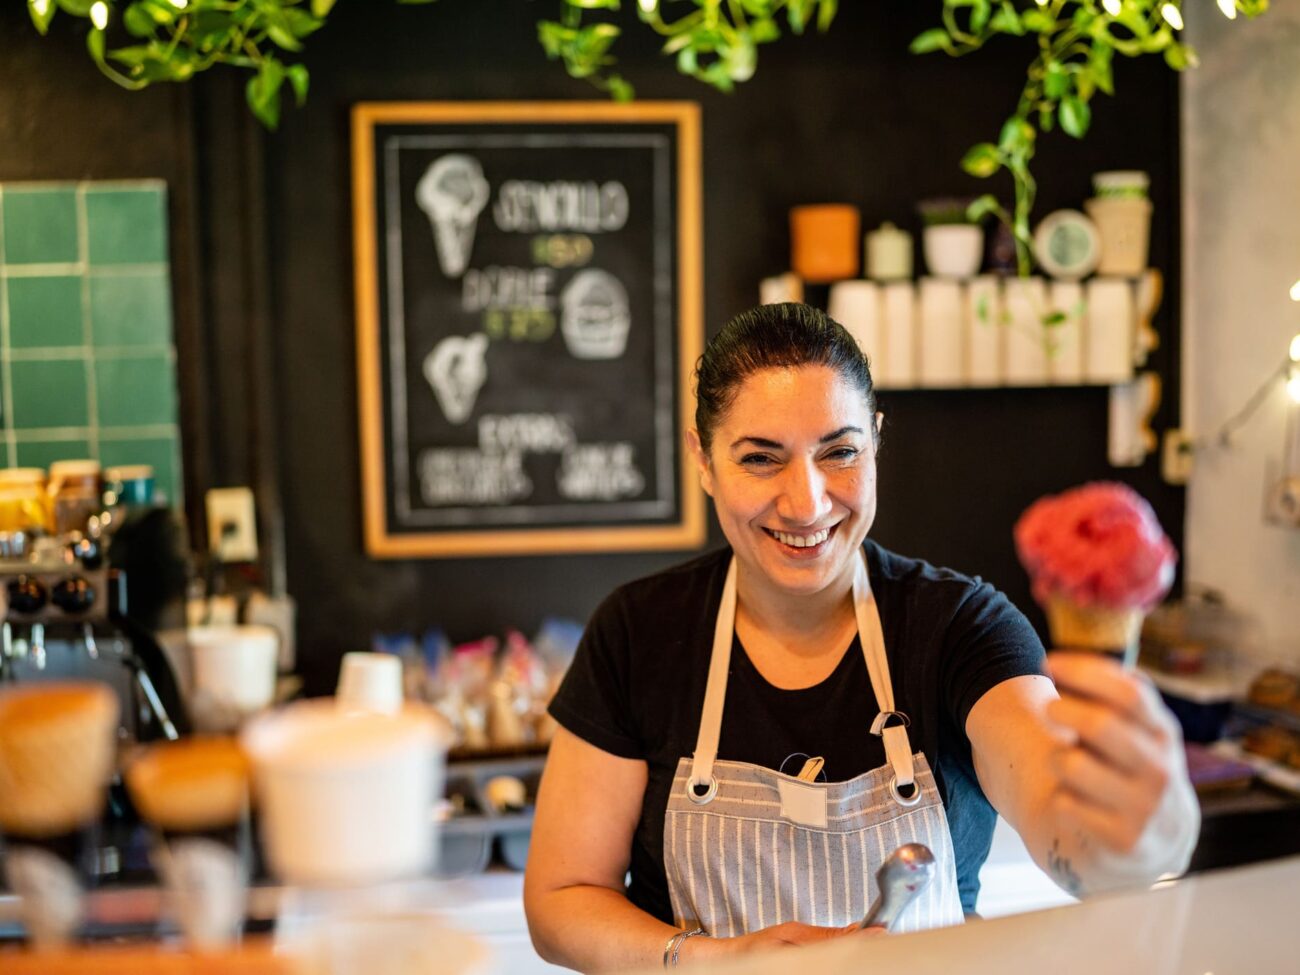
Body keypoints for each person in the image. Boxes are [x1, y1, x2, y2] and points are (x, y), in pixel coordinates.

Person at [524, 303, 1198, 971]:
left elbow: (1066, 824)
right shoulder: (640, 632)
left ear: (875, 438)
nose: (807, 502)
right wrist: (710, 959)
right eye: (761, 458)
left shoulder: (963, 628)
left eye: (840, 451)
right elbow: (560, 899)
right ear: (703, 459)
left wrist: (1147, 835)